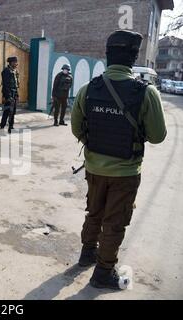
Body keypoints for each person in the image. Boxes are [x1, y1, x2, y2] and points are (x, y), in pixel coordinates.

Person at [71, 30, 167, 290]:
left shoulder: (88, 89)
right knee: (114, 221)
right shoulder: (146, 93)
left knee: (94, 211)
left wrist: (96, 144)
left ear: (108, 56)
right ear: (134, 58)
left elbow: (77, 129)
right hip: (125, 172)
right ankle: (103, 273)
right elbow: (158, 136)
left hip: (93, 168)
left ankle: (87, 253)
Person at [0, 56, 20, 134]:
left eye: (16, 62)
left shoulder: (15, 71)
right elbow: (5, 85)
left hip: (14, 93)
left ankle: (11, 127)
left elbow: (15, 85)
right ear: (11, 63)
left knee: (13, 112)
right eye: (15, 62)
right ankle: (2, 128)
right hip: (8, 94)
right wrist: (8, 96)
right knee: (7, 111)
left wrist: (17, 95)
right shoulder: (6, 71)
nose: (16, 64)